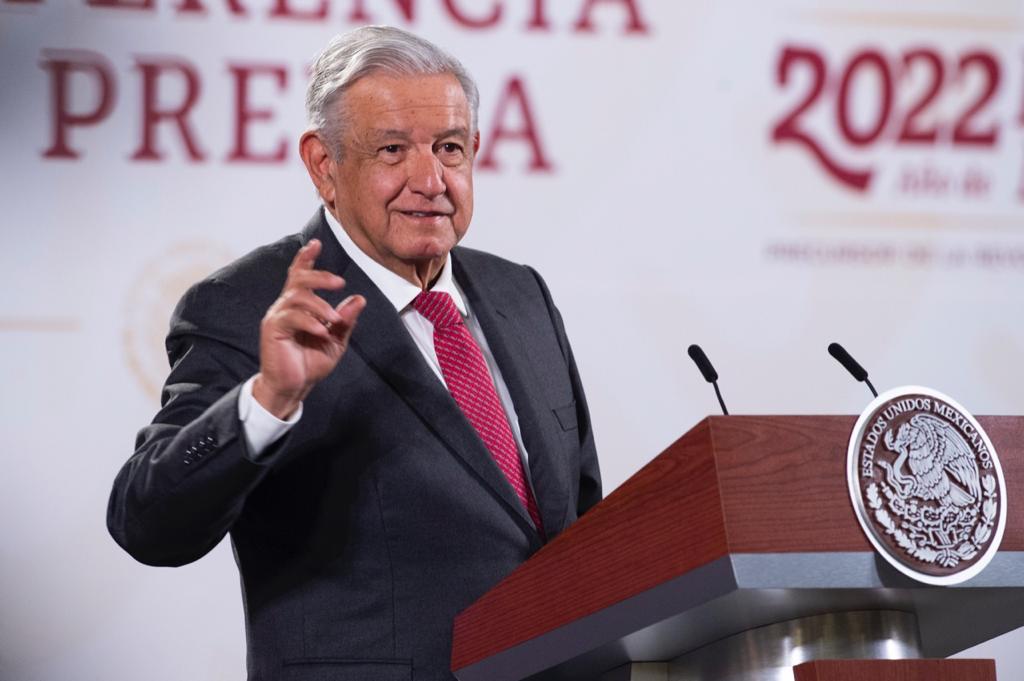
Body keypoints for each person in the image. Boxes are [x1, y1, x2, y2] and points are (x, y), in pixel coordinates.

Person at [107, 25, 601, 681]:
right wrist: (268, 401)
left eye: (449, 148)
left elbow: (585, 521)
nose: (430, 179)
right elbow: (146, 522)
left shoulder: (522, 294)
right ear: (324, 164)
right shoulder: (249, 306)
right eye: (392, 150)